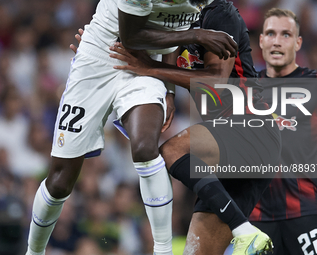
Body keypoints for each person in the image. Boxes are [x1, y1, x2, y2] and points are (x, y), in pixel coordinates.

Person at [24, 0, 239, 254]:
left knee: (145, 147)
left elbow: (173, 24)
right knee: (60, 181)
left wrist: (168, 91)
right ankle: (33, 251)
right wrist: (197, 34)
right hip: (99, 59)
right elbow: (132, 35)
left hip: (144, 61)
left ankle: (162, 250)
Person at [106, 1, 282, 254]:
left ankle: (243, 228)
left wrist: (151, 69)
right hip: (228, 145)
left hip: (253, 126)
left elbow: (216, 82)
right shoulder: (176, 16)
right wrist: (167, 92)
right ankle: (245, 232)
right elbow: (160, 47)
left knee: (171, 151)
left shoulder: (220, 14)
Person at [248, 8, 317, 255]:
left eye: (286, 34)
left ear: (298, 42)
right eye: (270, 33)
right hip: (256, 218)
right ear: (261, 41)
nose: (277, 41)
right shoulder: (243, 90)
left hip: (309, 212)